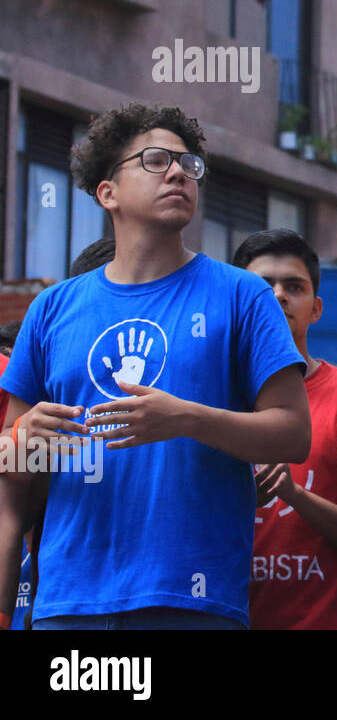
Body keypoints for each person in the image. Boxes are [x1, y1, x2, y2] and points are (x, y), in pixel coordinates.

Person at [0, 103, 309, 629]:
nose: (177, 173)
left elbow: (293, 434)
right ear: (107, 192)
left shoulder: (244, 294)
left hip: (193, 598)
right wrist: (23, 437)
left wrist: (186, 419)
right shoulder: (51, 308)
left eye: (189, 165)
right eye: (156, 160)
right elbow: (12, 459)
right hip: (68, 601)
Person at [232, 229, 337, 630]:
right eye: (262, 285)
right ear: (236, 303)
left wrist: (294, 494)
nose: (279, 295)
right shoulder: (201, 396)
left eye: (294, 286)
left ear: (316, 308)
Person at [2, 239, 118, 630]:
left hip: (173, 596)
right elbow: (11, 487)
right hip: (56, 600)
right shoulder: (30, 380)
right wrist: (20, 437)